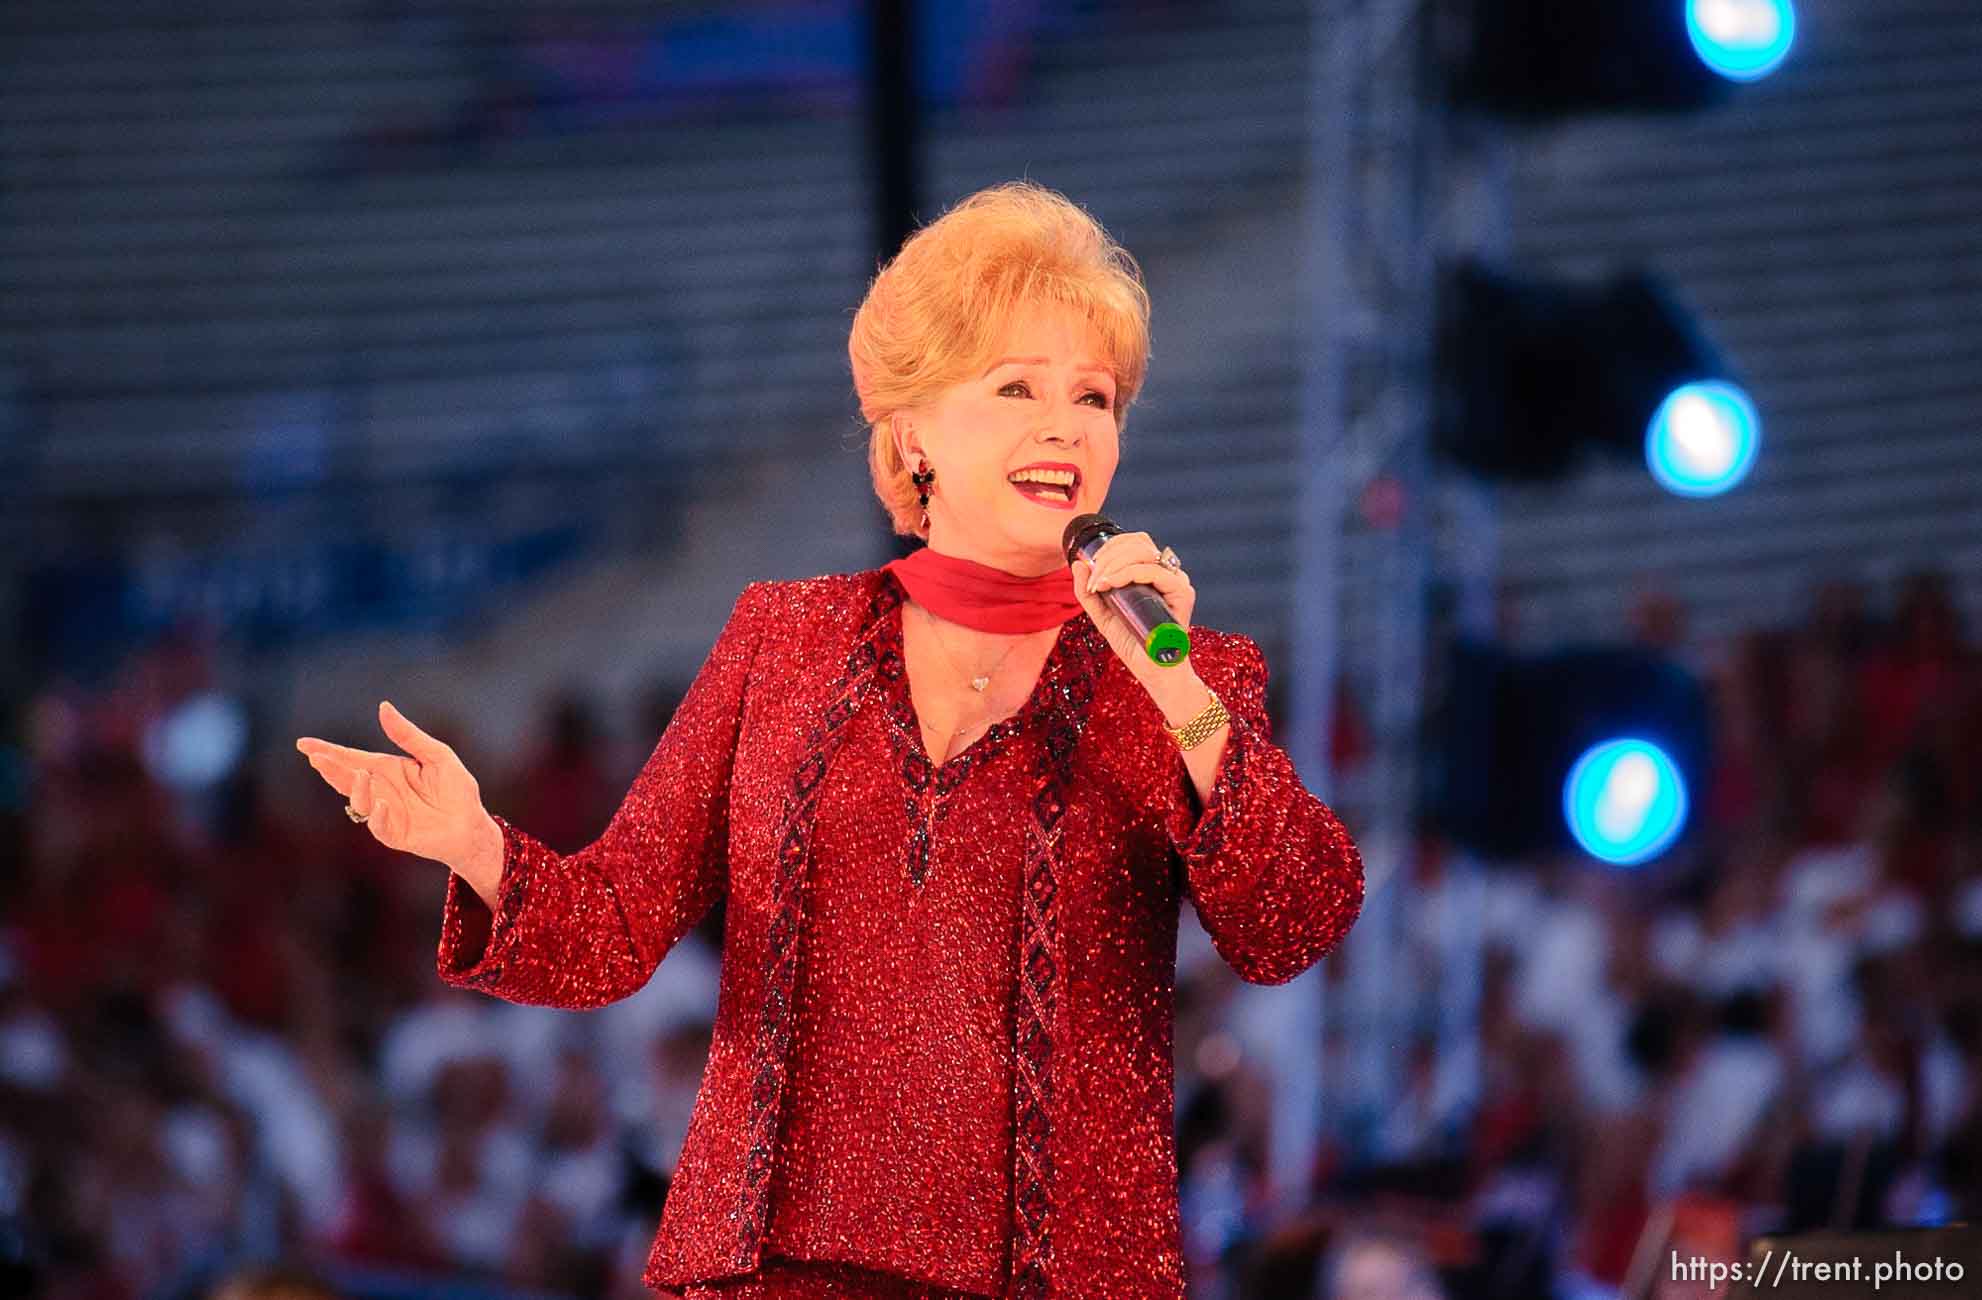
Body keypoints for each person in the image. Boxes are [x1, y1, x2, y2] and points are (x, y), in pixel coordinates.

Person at [296, 180, 1365, 1300]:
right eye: (1015, 387)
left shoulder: (1182, 676)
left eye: (1094, 398)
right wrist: (473, 842)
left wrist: (1178, 689)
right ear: (912, 433)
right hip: (773, 1265)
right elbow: (610, 927)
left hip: (1054, 1274)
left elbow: (1292, 922)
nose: (1065, 426)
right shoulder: (785, 639)